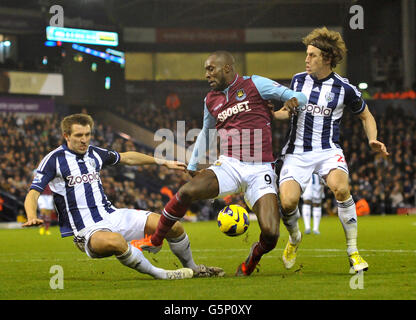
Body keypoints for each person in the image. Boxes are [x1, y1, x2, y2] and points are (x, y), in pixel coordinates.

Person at [131, 50, 307, 276]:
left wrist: (294, 100)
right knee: (186, 192)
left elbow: (297, 96)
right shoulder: (210, 99)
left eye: (210, 69)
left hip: (260, 168)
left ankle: (251, 259)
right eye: (206, 70)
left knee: (271, 234)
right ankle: (155, 240)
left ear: (227, 68)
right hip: (230, 165)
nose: (206, 74)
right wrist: (193, 165)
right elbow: (206, 131)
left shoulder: (255, 84)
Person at [23, 113, 224, 280]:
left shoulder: (94, 153)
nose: (84, 139)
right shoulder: (53, 161)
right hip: (87, 230)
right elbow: (33, 193)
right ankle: (161, 274)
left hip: (113, 215)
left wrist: (162, 162)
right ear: (66, 136)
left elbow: (127, 158)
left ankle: (194, 269)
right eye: (78, 135)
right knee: (116, 241)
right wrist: (31, 215)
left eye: (87, 134)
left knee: (174, 226)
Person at [275, 27, 389, 272]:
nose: (307, 59)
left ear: (327, 58)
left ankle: (353, 252)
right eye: (307, 54)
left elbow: (366, 116)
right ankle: (295, 238)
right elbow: (287, 111)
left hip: (327, 151)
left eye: (312, 55)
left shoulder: (344, 88)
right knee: (287, 202)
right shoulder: (297, 80)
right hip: (297, 152)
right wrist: (271, 114)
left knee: (341, 188)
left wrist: (373, 139)